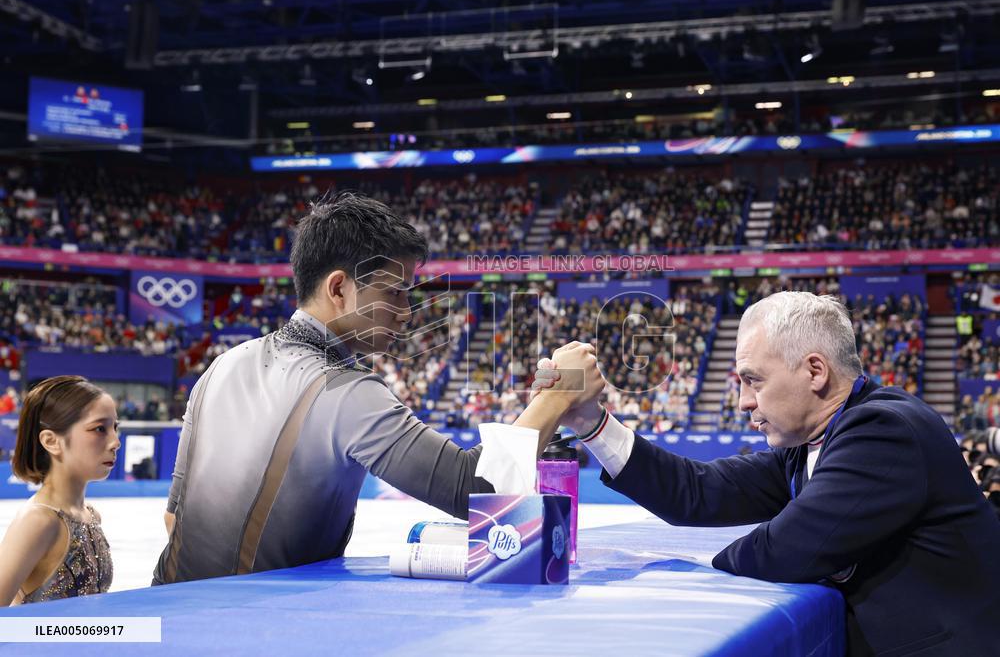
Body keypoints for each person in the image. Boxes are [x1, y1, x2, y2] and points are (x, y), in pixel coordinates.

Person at [154, 192, 602, 584]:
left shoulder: (219, 366)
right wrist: (558, 396)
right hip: (254, 631)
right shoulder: (346, 393)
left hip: (171, 614)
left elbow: (175, 518)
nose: (407, 311)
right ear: (338, 288)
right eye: (396, 293)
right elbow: (475, 489)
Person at [534, 291, 1000, 656]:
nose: (743, 402)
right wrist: (591, 423)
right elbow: (697, 492)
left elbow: (788, 548)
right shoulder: (813, 443)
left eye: (753, 379)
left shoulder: (885, 430)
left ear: (814, 371)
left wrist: (696, 573)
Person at [0, 376, 118, 605]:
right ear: (52, 441)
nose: (115, 442)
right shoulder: (39, 521)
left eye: (115, 427)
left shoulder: (91, 515)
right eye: (100, 429)